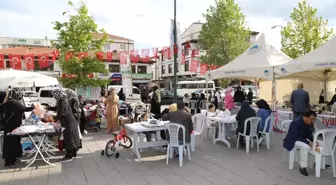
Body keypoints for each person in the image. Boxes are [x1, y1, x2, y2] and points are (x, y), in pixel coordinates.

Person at [1, 88, 34, 166]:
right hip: (12, 128)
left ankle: (10, 160)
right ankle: (10, 161)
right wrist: (34, 106)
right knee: (12, 143)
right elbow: (26, 109)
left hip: (8, 127)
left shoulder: (7, 103)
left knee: (9, 144)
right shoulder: (15, 103)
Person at [283, 110, 318, 176]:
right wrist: (308, 142)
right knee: (306, 146)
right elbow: (295, 136)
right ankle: (303, 167)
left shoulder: (308, 123)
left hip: (301, 139)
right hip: (292, 140)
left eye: (313, 120)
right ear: (305, 117)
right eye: (311, 120)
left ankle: (318, 163)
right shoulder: (296, 122)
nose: (312, 121)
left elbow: (309, 135)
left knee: (319, 143)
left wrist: (314, 141)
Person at [51, 89, 81, 161]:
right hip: (68, 121)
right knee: (71, 137)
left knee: (69, 138)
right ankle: (72, 154)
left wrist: (54, 117)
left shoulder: (63, 101)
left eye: (55, 95)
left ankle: (69, 155)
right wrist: (49, 108)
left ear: (58, 94)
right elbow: (58, 109)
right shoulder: (61, 100)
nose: (54, 97)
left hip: (68, 122)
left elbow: (63, 113)